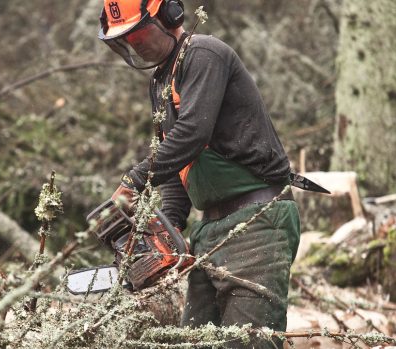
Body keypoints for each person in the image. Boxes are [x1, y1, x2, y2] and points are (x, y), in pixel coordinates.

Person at [98, 0, 301, 347]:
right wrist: (169, 227)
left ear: (169, 15)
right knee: (193, 341)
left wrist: (134, 181)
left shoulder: (204, 54)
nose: (137, 43)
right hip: (210, 229)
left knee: (248, 342)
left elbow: (193, 134)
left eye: (140, 32)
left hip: (257, 220)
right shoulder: (161, 81)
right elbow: (179, 161)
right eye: (128, 39)